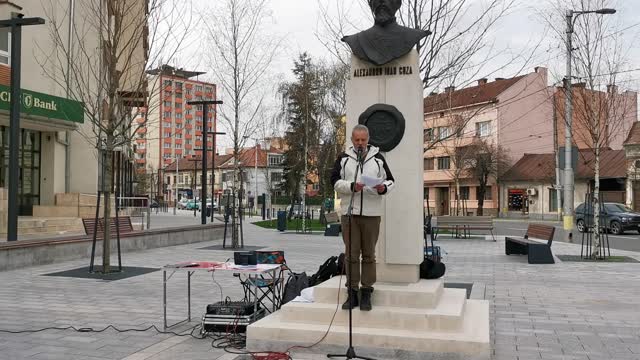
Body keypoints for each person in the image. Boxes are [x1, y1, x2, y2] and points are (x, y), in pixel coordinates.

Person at [330, 125, 395, 311]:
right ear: (352, 140)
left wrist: (383, 188)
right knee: (351, 255)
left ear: (368, 139)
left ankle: (366, 292)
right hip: (350, 214)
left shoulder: (378, 159)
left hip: (371, 215)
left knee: (369, 255)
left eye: (363, 140)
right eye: (357, 140)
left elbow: (390, 180)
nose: (360, 143)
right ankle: (352, 293)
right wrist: (351, 186)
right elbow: (334, 181)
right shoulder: (343, 159)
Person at [341, 0, 430, 66]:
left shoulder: (412, 35)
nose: (382, 1)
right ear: (371, 5)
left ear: (397, 4)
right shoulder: (356, 40)